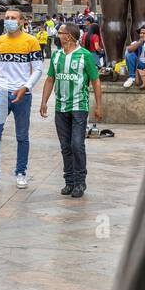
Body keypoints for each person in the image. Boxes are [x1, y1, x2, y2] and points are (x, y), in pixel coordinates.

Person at [0, 6, 43, 192]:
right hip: (2, 92)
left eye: (13, 17)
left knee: (22, 136)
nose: (9, 20)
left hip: (22, 94)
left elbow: (38, 69)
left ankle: (21, 172)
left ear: (22, 21)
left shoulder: (31, 42)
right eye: (7, 17)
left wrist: (26, 87)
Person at [40, 21, 101, 198]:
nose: (57, 35)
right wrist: (44, 101)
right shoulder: (56, 56)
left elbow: (96, 81)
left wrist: (98, 105)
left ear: (69, 36)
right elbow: (50, 79)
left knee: (77, 144)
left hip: (79, 107)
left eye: (60, 32)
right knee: (65, 146)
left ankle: (80, 182)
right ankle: (69, 181)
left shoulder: (85, 55)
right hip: (61, 108)